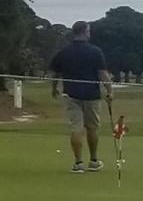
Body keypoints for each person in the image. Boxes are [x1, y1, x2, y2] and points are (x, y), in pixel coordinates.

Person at [48, 21, 111, 172]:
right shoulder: (95, 51)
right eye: (89, 30)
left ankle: (78, 163)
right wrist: (110, 91)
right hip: (92, 95)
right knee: (92, 128)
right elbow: (102, 74)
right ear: (85, 32)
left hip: (71, 94)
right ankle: (94, 161)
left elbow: (55, 74)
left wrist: (54, 89)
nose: (90, 33)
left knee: (76, 128)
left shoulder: (64, 52)